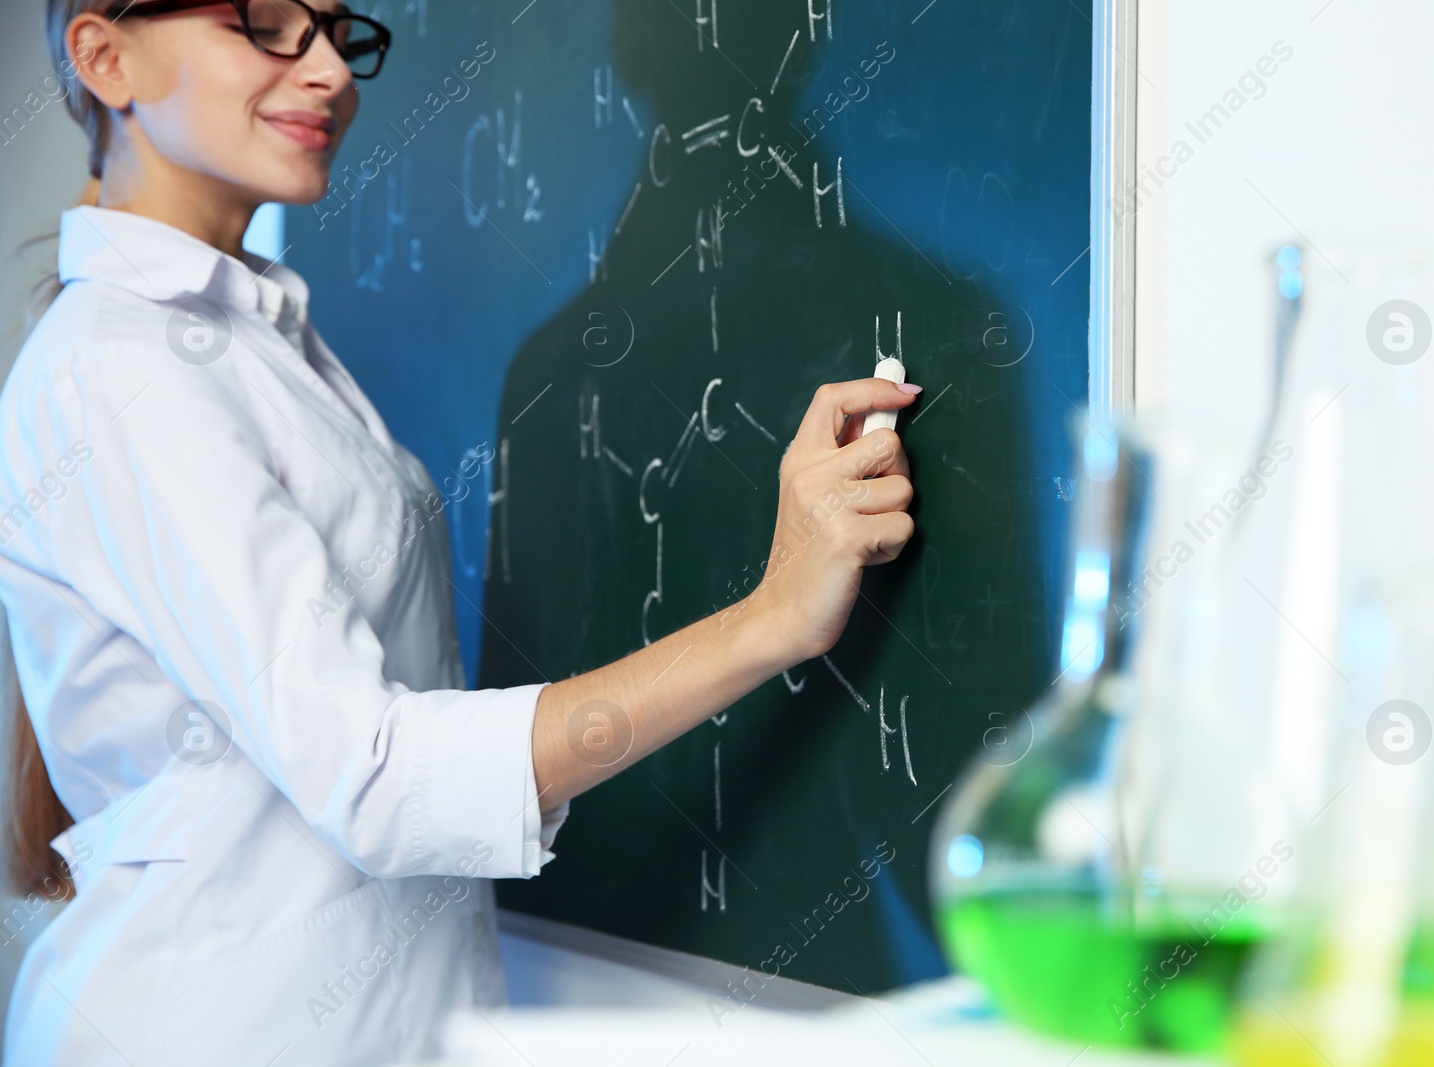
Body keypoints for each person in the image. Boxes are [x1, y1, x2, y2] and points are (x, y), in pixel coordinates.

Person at [0, 2, 919, 1063]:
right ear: (106, 57)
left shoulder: (248, 337)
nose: (330, 75)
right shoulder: (128, 366)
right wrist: (772, 616)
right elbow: (380, 776)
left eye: (339, 34)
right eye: (264, 26)